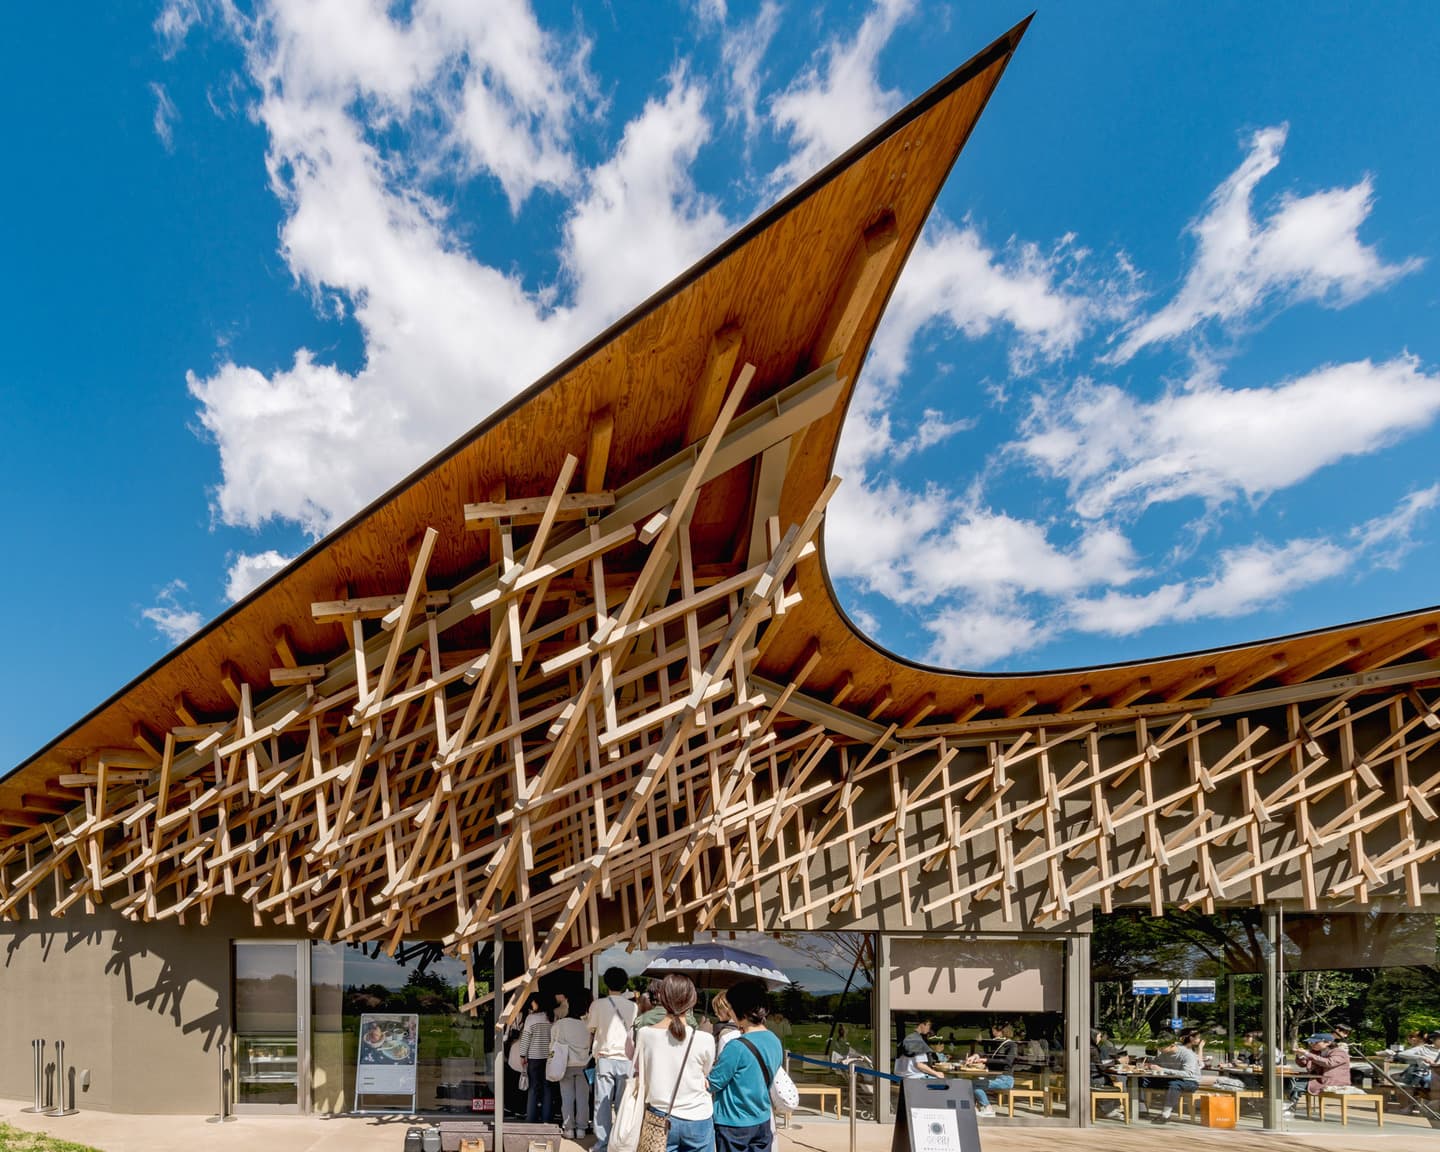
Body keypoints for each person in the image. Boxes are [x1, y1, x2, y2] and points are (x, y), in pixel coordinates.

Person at [635, 974, 716, 1152]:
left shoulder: (645, 1034)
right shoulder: (705, 1039)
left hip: (659, 1116)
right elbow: (706, 1071)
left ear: (661, 998)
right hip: (698, 1116)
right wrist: (705, 1031)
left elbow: (641, 1070)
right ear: (692, 1000)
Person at [708, 980, 784, 1152]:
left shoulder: (736, 1047)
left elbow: (714, 1083)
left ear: (740, 1010)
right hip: (762, 1119)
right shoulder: (774, 1040)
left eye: (731, 1007)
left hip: (733, 1122)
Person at [587, 966, 637, 1152]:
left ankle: (602, 1144)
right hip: (626, 1058)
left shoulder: (597, 1005)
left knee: (602, 1104)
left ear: (606, 983)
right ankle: (621, 1143)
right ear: (624, 984)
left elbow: (591, 1028)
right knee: (623, 1105)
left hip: (605, 1057)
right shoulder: (633, 1006)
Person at [551, 988, 593, 1141]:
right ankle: (581, 1129)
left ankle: (568, 1129)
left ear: (569, 1004)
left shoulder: (560, 1024)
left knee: (567, 1098)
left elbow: (553, 1043)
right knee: (583, 1099)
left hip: (565, 1065)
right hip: (584, 1065)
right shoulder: (588, 1024)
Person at [1141, 1030, 1202, 1124]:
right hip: (1170, 1079)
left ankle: (1165, 1114)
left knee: (1174, 1084)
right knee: (1142, 1080)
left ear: (1172, 1045)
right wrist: (1149, 1066)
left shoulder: (1186, 1054)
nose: (1159, 1048)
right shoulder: (1163, 1054)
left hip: (1189, 1081)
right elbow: (1157, 1064)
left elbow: (1188, 1074)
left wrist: (1162, 1069)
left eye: (1162, 1046)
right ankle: (1140, 1109)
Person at [963, 1022, 1018, 1118]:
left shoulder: (1011, 1045)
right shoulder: (998, 1044)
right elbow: (986, 1054)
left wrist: (985, 1060)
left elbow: (1008, 1061)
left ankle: (987, 1108)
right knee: (972, 1083)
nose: (993, 1033)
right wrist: (975, 1056)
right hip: (995, 1077)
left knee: (973, 1084)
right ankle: (975, 1108)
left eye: (994, 1031)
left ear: (1001, 1032)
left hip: (1005, 1078)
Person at [1286, 1035, 1350, 1114]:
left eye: (1315, 1042)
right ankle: (1288, 1106)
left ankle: (1290, 1108)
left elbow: (1329, 1063)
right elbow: (1303, 1064)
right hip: (1316, 1079)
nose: (1312, 1044)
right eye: (1310, 1042)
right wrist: (1300, 1055)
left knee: (1296, 1085)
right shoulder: (1316, 1052)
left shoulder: (1339, 1052)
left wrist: (1307, 1054)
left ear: (1328, 1042)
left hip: (1331, 1081)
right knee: (1289, 1082)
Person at [519, 994, 554, 1124]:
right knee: (547, 1088)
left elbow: (526, 1038)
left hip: (534, 1057)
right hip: (549, 1058)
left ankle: (531, 1118)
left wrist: (522, 1055)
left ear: (538, 1003)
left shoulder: (531, 1018)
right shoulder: (552, 1017)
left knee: (533, 1088)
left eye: (533, 1002)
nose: (532, 1004)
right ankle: (546, 1118)